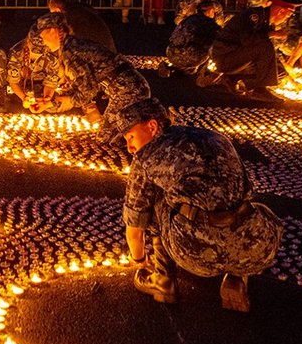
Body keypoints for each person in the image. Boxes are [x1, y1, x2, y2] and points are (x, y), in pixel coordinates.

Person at [116, 98, 282, 313]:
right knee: (248, 205)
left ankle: (162, 280)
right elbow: (245, 188)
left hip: (196, 254)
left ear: (152, 126)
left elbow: (135, 228)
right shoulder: (215, 138)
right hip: (255, 246)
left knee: (154, 200)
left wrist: (138, 259)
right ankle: (236, 275)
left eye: (130, 136)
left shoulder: (146, 160)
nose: (129, 147)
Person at [30, 30, 151, 138]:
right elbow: (80, 87)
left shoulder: (71, 53)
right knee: (117, 132)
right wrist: (48, 104)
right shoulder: (71, 46)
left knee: (108, 137)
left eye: (44, 37)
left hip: (128, 91)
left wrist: (66, 100)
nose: (45, 42)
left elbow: (86, 92)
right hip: (127, 88)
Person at [209, 0, 298, 100]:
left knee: (279, 72)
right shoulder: (254, 16)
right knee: (265, 45)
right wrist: (273, 34)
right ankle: (259, 88)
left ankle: (233, 79)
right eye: (287, 16)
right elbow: (248, 40)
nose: (286, 20)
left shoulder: (265, 21)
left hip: (236, 56)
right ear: (281, 12)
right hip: (225, 57)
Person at [163, 0, 223, 79]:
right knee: (213, 45)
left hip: (171, 54)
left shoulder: (187, 19)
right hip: (192, 57)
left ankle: (173, 67)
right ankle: (205, 72)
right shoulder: (209, 23)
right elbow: (221, 37)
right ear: (210, 11)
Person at [47, 0, 115, 51]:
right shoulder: (81, 10)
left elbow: (68, 38)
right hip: (107, 48)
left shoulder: (69, 16)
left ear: (57, 10)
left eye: (54, 14)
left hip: (99, 50)